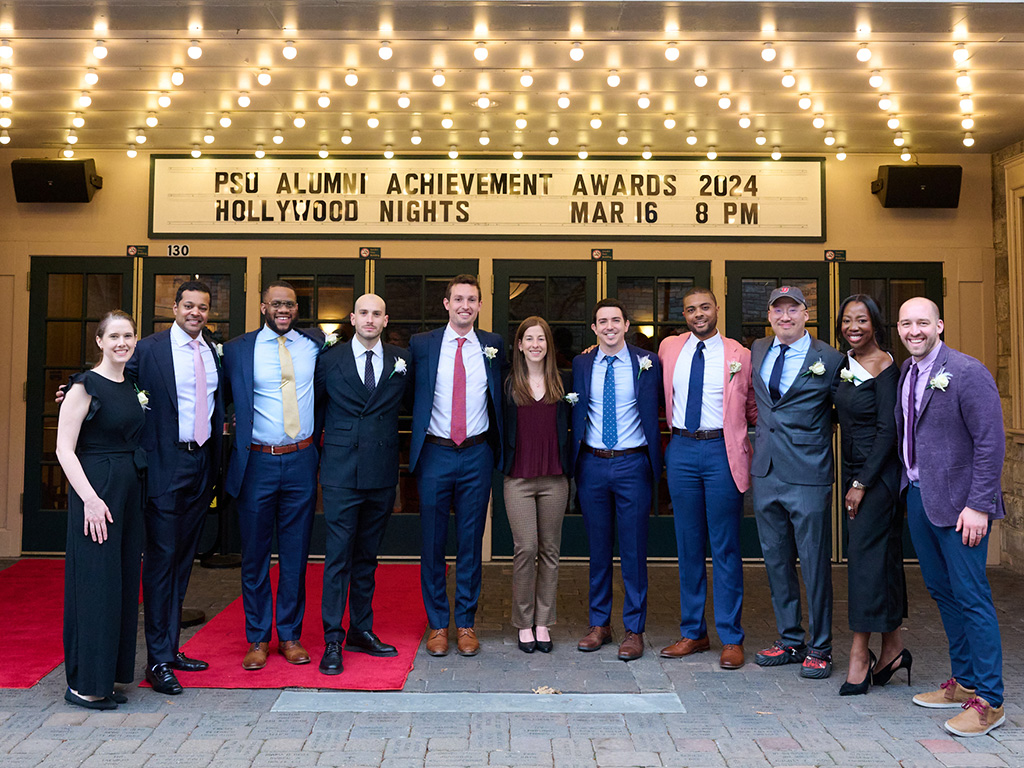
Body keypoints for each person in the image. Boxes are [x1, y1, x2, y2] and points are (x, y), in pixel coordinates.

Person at [896, 297, 1007, 737]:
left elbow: (990, 442)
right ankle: (964, 683)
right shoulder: (907, 372)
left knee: (972, 597)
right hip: (920, 499)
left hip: (963, 509)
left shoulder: (966, 372)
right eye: (906, 323)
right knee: (943, 593)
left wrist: (979, 505)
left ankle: (991, 702)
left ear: (939, 325)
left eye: (923, 322)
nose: (914, 330)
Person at [221, 281, 324, 670]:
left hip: (301, 459)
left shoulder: (314, 345)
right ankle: (258, 638)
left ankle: (291, 635)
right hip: (258, 462)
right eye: (276, 303)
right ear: (263, 306)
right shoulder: (237, 350)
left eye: (290, 304)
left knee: (296, 555)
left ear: (297, 309)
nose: (283, 309)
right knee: (255, 555)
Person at [657, 288, 756, 670]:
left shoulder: (739, 355)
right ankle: (693, 632)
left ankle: (731, 636)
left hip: (721, 451)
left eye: (704, 307)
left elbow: (751, 407)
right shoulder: (669, 349)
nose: (698, 314)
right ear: (683, 315)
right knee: (688, 544)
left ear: (716, 309)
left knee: (726, 546)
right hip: (681, 448)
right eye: (690, 310)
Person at [133, 281, 222, 695]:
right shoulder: (149, 348)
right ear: (175, 307)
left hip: (201, 464)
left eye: (202, 307)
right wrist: (77, 388)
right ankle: (156, 661)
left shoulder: (213, 349)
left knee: (185, 559)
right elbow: (112, 376)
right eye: (189, 305)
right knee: (161, 562)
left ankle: (171, 650)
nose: (196, 313)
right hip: (165, 465)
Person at [315, 293, 411, 675]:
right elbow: (317, 409)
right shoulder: (329, 361)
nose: (370, 320)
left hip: (382, 471)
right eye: (363, 313)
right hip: (340, 472)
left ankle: (362, 629)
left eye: (377, 314)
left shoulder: (402, 361)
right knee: (338, 557)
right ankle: (333, 639)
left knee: (367, 558)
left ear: (385, 320)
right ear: (352, 318)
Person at [750, 285, 844, 679]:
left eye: (793, 310)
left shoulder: (831, 358)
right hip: (766, 471)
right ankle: (790, 639)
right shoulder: (756, 350)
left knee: (814, 563)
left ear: (807, 315)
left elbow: (849, 411)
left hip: (808, 472)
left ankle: (820, 646)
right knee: (776, 560)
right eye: (778, 311)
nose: (785, 317)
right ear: (769, 316)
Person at [408, 275, 505, 657]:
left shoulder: (493, 346)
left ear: (480, 306)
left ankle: (465, 622)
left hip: (477, 453)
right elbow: (409, 395)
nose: (465, 305)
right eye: (458, 299)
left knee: (470, 542)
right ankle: (437, 624)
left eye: (472, 300)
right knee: (432, 542)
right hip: (435, 452)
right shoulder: (422, 345)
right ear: (446, 303)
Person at [56, 310, 146, 710]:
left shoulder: (130, 383)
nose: (121, 343)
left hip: (127, 491)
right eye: (114, 336)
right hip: (96, 491)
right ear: (99, 341)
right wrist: (90, 499)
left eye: (127, 336)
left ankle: (107, 677)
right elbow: (63, 449)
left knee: (120, 583)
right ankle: (84, 685)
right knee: (94, 585)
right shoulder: (83, 386)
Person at [572, 298, 662, 661]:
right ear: (593, 329)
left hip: (632, 464)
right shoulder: (582, 363)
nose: (608, 326)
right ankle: (599, 624)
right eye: (601, 321)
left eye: (615, 320)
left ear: (627, 325)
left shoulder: (649, 363)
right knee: (597, 549)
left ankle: (634, 629)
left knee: (634, 550)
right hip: (592, 463)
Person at [832, 295, 907, 696]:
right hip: (853, 471)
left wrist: (860, 484)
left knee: (864, 561)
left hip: (877, 476)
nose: (853, 326)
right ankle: (893, 646)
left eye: (861, 320)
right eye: (847, 320)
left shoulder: (887, 368)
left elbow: (887, 432)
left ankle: (860, 653)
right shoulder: (844, 366)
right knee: (883, 558)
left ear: (875, 324)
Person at [502, 316, 572, 654]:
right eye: (528, 338)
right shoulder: (507, 384)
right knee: (526, 548)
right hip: (518, 478)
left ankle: (543, 622)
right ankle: (522, 622)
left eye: (541, 339)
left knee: (550, 551)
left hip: (555, 479)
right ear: (518, 344)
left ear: (549, 345)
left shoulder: (564, 382)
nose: (535, 344)